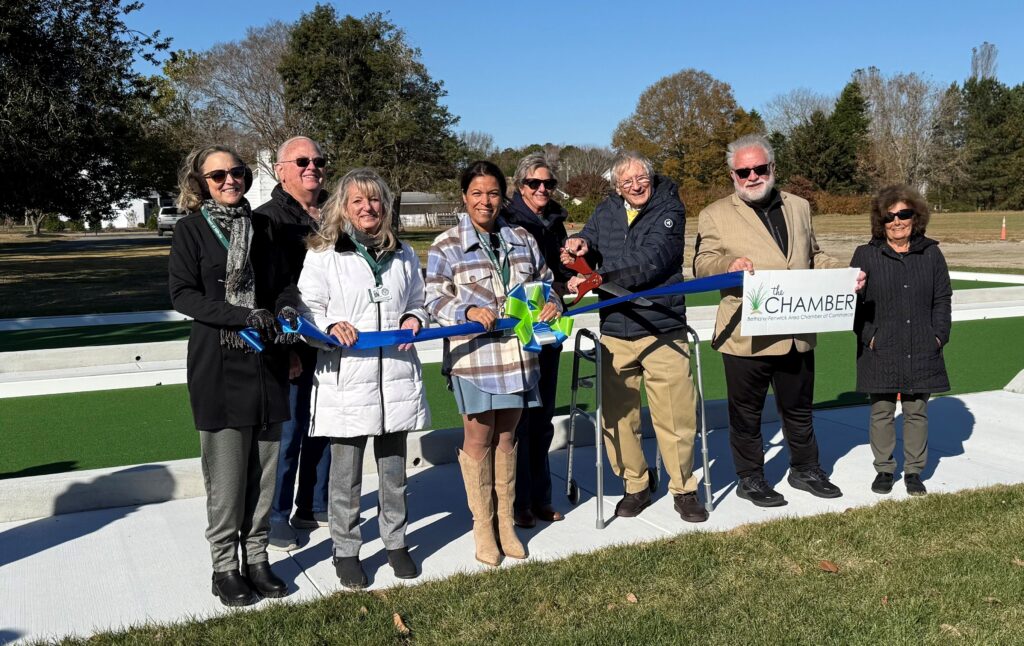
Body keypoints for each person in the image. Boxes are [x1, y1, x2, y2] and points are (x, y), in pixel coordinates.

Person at [694, 134, 866, 508]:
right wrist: (728, 265)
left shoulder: (799, 206)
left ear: (772, 167)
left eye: (759, 168)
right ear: (732, 174)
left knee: (799, 409)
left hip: (796, 329)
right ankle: (750, 478)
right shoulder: (714, 214)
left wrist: (843, 274)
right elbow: (701, 264)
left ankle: (806, 470)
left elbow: (813, 256)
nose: (752, 176)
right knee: (746, 414)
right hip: (745, 334)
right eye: (743, 171)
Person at [168, 145, 292, 606]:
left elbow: (283, 284)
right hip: (218, 363)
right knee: (226, 478)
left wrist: (285, 308)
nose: (229, 180)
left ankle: (257, 559)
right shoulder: (190, 230)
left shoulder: (264, 226)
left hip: (267, 360)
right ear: (201, 182)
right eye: (217, 175)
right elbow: (183, 295)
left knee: (264, 471)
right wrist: (243, 316)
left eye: (236, 172)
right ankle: (224, 568)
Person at [297, 168, 430, 588]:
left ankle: (396, 542)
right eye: (357, 200)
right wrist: (330, 325)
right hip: (348, 378)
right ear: (343, 206)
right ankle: (346, 549)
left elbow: (418, 299)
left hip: (395, 377)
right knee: (346, 476)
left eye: (374, 200)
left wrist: (414, 316)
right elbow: (307, 308)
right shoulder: (323, 253)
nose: (367, 208)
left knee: (393, 473)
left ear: (385, 206)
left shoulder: (403, 253)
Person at [425, 161, 561, 566]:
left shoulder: (521, 238)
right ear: (464, 197)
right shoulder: (446, 245)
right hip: (475, 360)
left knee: (507, 438)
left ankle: (505, 522)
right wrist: (466, 311)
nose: (485, 201)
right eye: (477, 193)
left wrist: (551, 303)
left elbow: (545, 280)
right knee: (480, 438)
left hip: (518, 357)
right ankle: (482, 526)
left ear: (503, 197)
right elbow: (433, 298)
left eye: (493, 193)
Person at [561, 151, 708, 523]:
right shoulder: (607, 209)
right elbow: (591, 240)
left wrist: (596, 277)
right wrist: (580, 244)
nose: (635, 186)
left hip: (662, 328)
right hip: (615, 329)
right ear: (616, 187)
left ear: (651, 178)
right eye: (626, 181)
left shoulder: (669, 208)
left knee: (675, 416)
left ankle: (684, 489)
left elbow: (652, 260)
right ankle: (636, 484)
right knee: (618, 418)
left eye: (641, 178)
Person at [255, 136, 332, 551]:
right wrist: (283, 348)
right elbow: (265, 290)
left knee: (326, 424)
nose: (312, 167)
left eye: (318, 160)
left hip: (332, 339)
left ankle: (313, 503)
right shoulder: (267, 220)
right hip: (291, 343)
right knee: (289, 433)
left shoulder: (336, 213)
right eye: (302, 161)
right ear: (280, 170)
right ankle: (275, 515)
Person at [851, 185, 951, 497]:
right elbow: (852, 302)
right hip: (881, 346)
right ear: (880, 221)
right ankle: (884, 468)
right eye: (889, 216)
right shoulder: (866, 254)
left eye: (903, 214)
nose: (897, 221)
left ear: (915, 217)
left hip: (921, 344)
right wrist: (869, 337)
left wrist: (938, 336)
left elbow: (942, 298)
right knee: (881, 411)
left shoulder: (931, 254)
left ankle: (914, 471)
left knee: (916, 411)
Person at [502, 153, 572, 528]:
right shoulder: (506, 221)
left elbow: (556, 274)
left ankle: (542, 496)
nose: (542, 189)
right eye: (534, 183)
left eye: (548, 183)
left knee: (543, 419)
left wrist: (563, 287)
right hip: (517, 334)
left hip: (548, 329)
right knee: (520, 422)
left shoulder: (556, 221)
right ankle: (518, 502)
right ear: (520, 186)